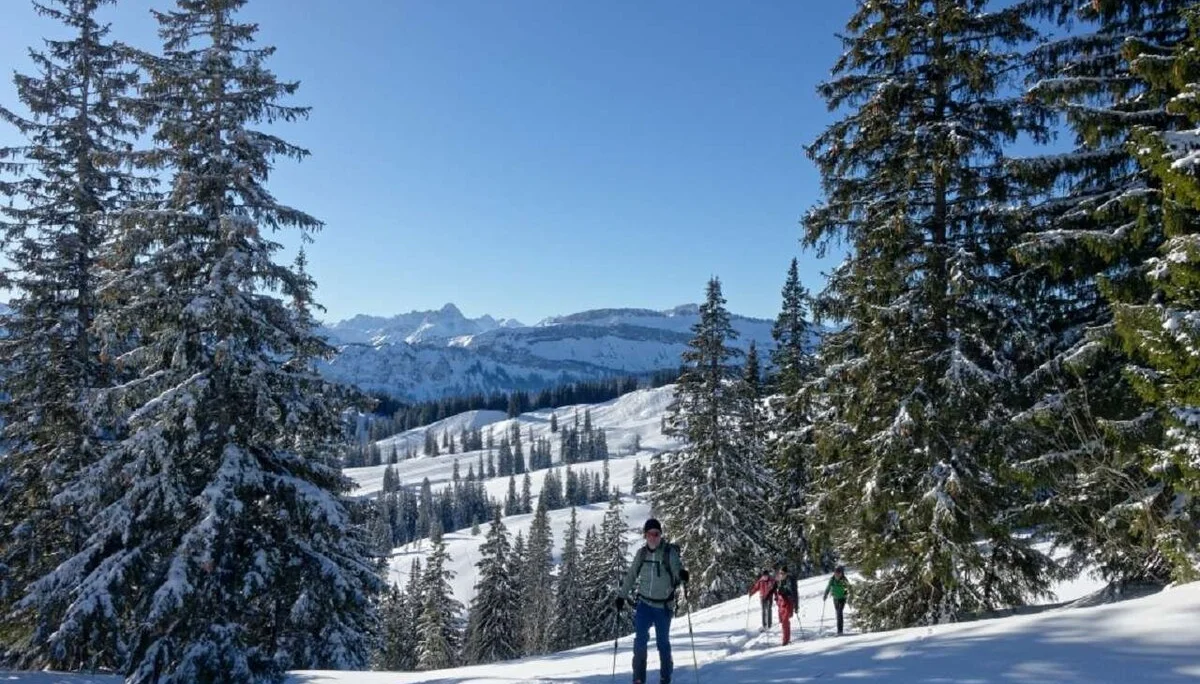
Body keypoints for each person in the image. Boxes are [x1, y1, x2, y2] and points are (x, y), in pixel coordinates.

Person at [615, 518, 689, 684]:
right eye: (650, 534)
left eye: (656, 534)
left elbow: (676, 570)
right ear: (645, 536)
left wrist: (682, 575)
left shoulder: (669, 553)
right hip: (644, 605)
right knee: (640, 643)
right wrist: (621, 596)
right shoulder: (641, 554)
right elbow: (631, 575)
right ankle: (638, 678)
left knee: (663, 644)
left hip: (663, 606)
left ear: (660, 535)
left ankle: (665, 676)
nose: (653, 537)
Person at [773, 565, 798, 646]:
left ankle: (786, 640)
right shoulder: (779, 580)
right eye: (780, 573)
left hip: (788, 602)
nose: (781, 574)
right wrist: (776, 598)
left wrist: (796, 605)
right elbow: (775, 590)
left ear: (786, 573)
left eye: (783, 573)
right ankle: (786, 638)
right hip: (781, 603)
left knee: (785, 622)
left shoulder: (790, 581)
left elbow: (795, 593)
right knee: (782, 621)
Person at [823, 565, 851, 635]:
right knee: (838, 613)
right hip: (835, 598)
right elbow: (828, 587)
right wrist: (825, 594)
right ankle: (839, 630)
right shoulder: (832, 580)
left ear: (842, 573)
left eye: (839, 573)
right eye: (836, 573)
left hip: (842, 598)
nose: (837, 575)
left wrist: (847, 593)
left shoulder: (844, 580)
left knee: (839, 612)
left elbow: (849, 588)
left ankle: (840, 630)